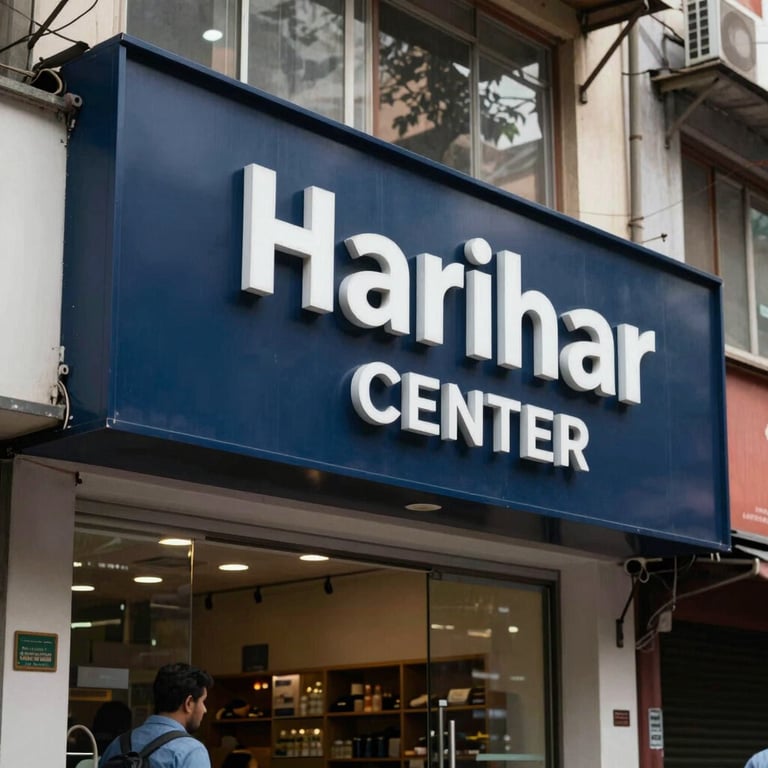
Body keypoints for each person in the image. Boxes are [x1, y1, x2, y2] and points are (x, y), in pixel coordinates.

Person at [99, 662, 214, 768]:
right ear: (188, 703)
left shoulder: (118, 744)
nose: (204, 709)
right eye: (203, 701)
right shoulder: (190, 751)